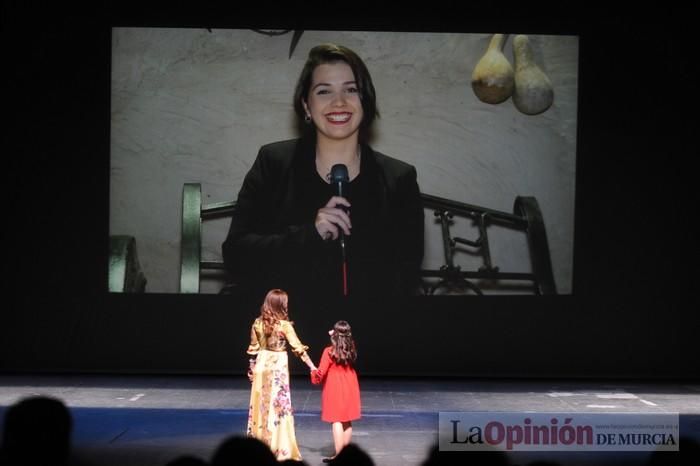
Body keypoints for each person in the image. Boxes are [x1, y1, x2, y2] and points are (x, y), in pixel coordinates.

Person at [222, 43, 424, 304]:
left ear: (366, 100)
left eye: (351, 89)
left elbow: (404, 277)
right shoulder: (274, 163)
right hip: (287, 325)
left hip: (365, 327)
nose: (338, 102)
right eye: (324, 91)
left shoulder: (399, 178)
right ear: (306, 105)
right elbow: (237, 255)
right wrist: (310, 235)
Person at [246, 288, 317, 461]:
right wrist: (312, 366)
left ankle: (258, 447)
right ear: (281, 305)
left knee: (261, 407)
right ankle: (279, 449)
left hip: (262, 364)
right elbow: (298, 348)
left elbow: (253, 350)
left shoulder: (257, 322)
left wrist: (252, 368)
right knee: (279, 407)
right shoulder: (284, 325)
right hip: (277, 366)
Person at [311, 320, 361, 462]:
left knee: (336, 419)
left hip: (335, 386)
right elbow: (342, 342)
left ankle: (339, 457)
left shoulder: (329, 351)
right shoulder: (351, 347)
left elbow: (320, 373)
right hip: (350, 384)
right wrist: (335, 335)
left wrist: (313, 372)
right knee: (347, 419)